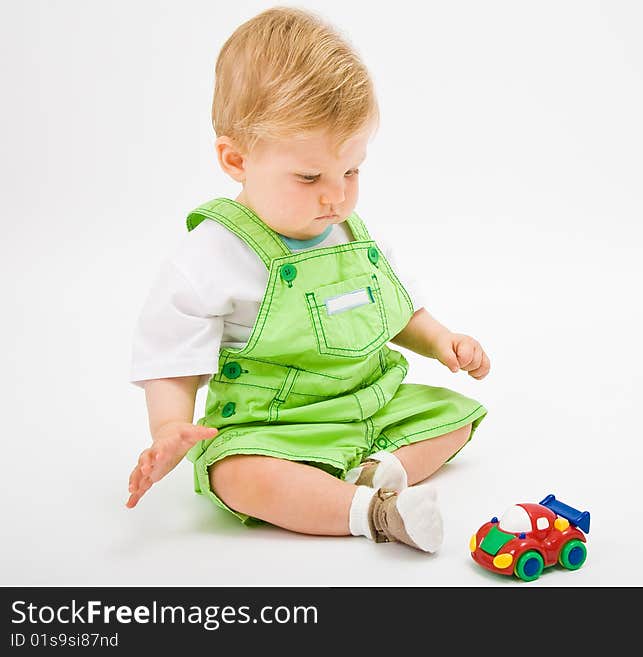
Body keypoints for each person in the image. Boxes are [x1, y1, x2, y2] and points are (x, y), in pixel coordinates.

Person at [124, 6, 489, 554]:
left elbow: (396, 307)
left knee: (452, 419)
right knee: (236, 474)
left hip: (368, 402)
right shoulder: (213, 254)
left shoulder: (348, 231)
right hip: (275, 427)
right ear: (236, 159)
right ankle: (375, 512)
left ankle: (376, 469)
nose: (336, 196)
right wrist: (170, 427)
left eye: (352, 171)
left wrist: (442, 340)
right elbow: (171, 356)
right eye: (310, 176)